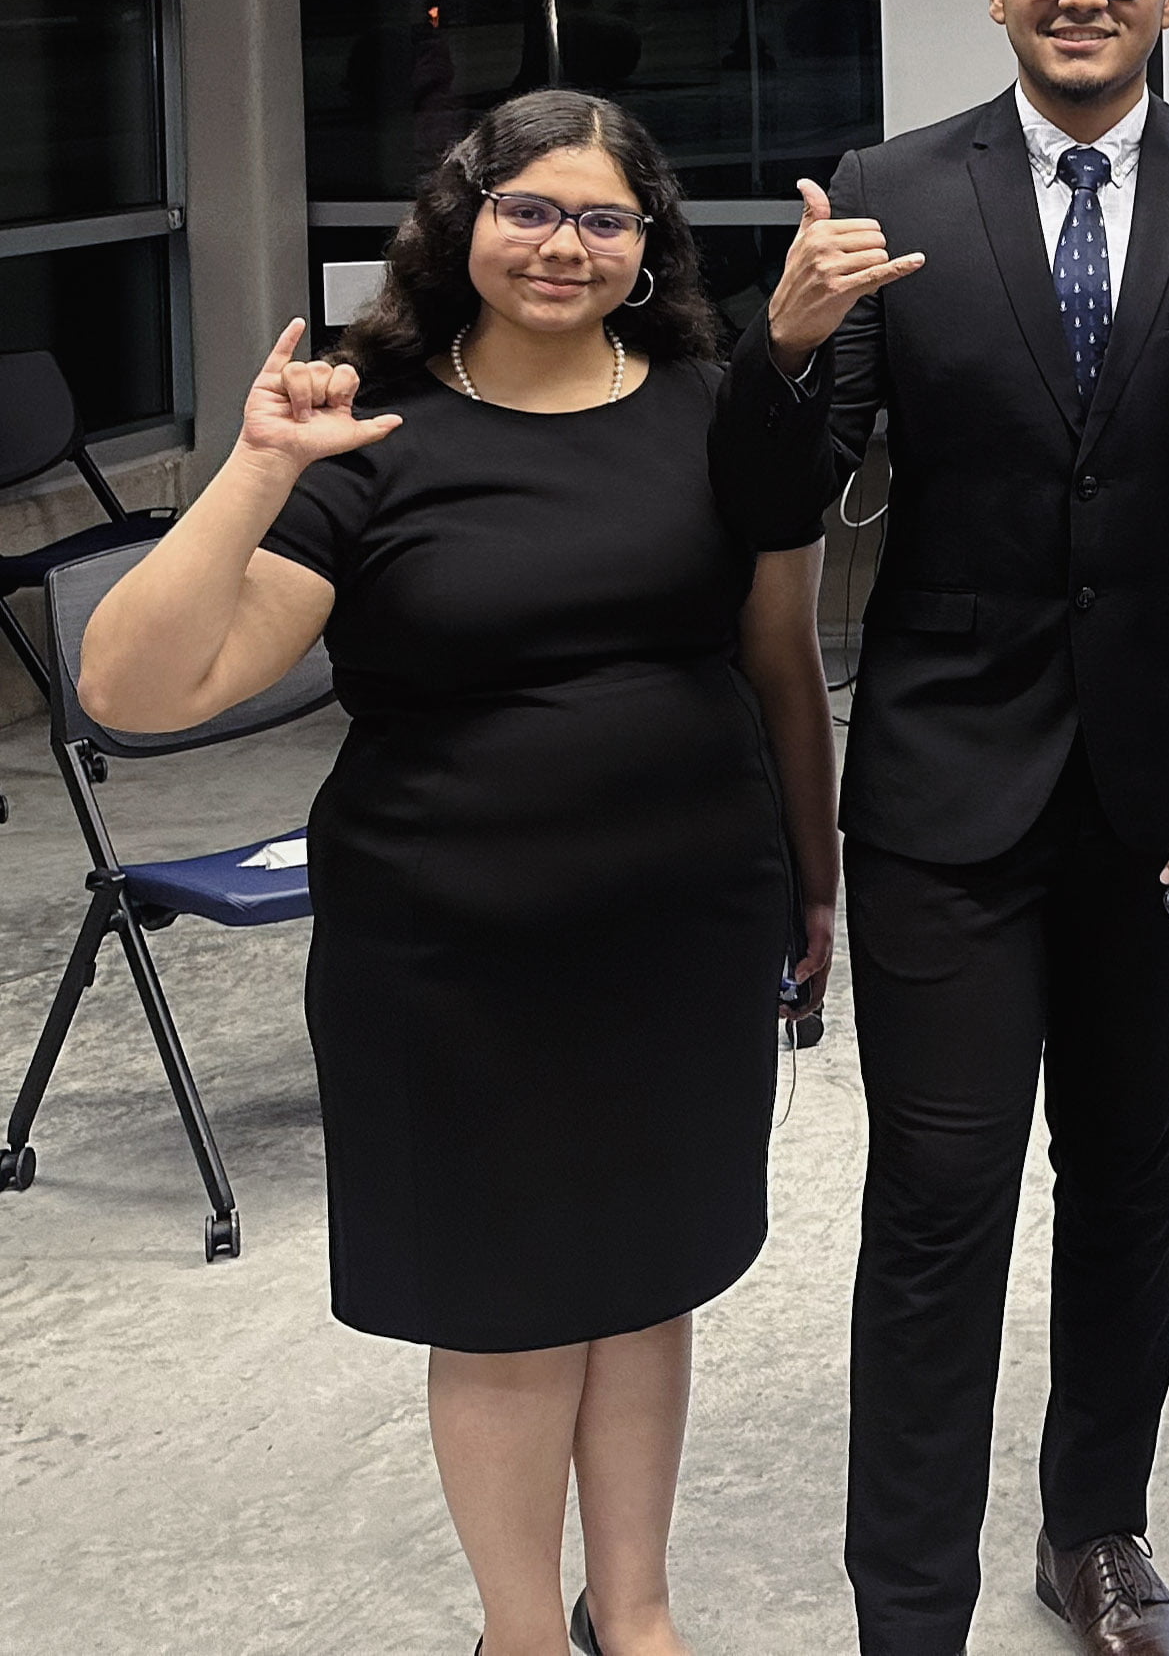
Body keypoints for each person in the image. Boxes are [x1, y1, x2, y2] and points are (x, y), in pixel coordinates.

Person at [76, 90, 879, 1656]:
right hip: (452, 958)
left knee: (652, 1278)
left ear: (648, 246)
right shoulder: (368, 425)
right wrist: (253, 467)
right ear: (465, 220)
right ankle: (519, 1631)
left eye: (600, 217)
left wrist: (812, 870)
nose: (561, 244)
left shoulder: (708, 402)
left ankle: (632, 1610)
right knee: (506, 1303)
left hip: (680, 924)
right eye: (527, 208)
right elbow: (133, 687)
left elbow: (776, 654)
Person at [754, 0, 1169, 1656]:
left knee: (1128, 1178)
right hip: (945, 784)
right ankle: (908, 1604)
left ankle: (1094, 1528)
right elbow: (795, 496)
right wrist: (784, 349)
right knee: (937, 1196)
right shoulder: (885, 187)